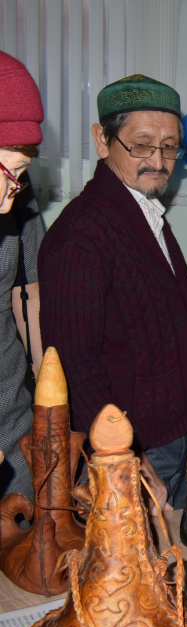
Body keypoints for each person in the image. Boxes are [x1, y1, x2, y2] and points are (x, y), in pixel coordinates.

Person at [38, 75, 187, 512]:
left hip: (174, 435)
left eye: (170, 146)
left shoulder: (144, 211)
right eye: (142, 144)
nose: (159, 160)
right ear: (102, 139)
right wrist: (124, 459)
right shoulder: (82, 232)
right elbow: (73, 363)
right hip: (135, 450)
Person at [0, 51, 44, 496]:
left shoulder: (16, 194)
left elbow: (29, 293)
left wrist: (47, 381)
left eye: (21, 175)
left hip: (11, 408)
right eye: (9, 173)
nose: (13, 198)